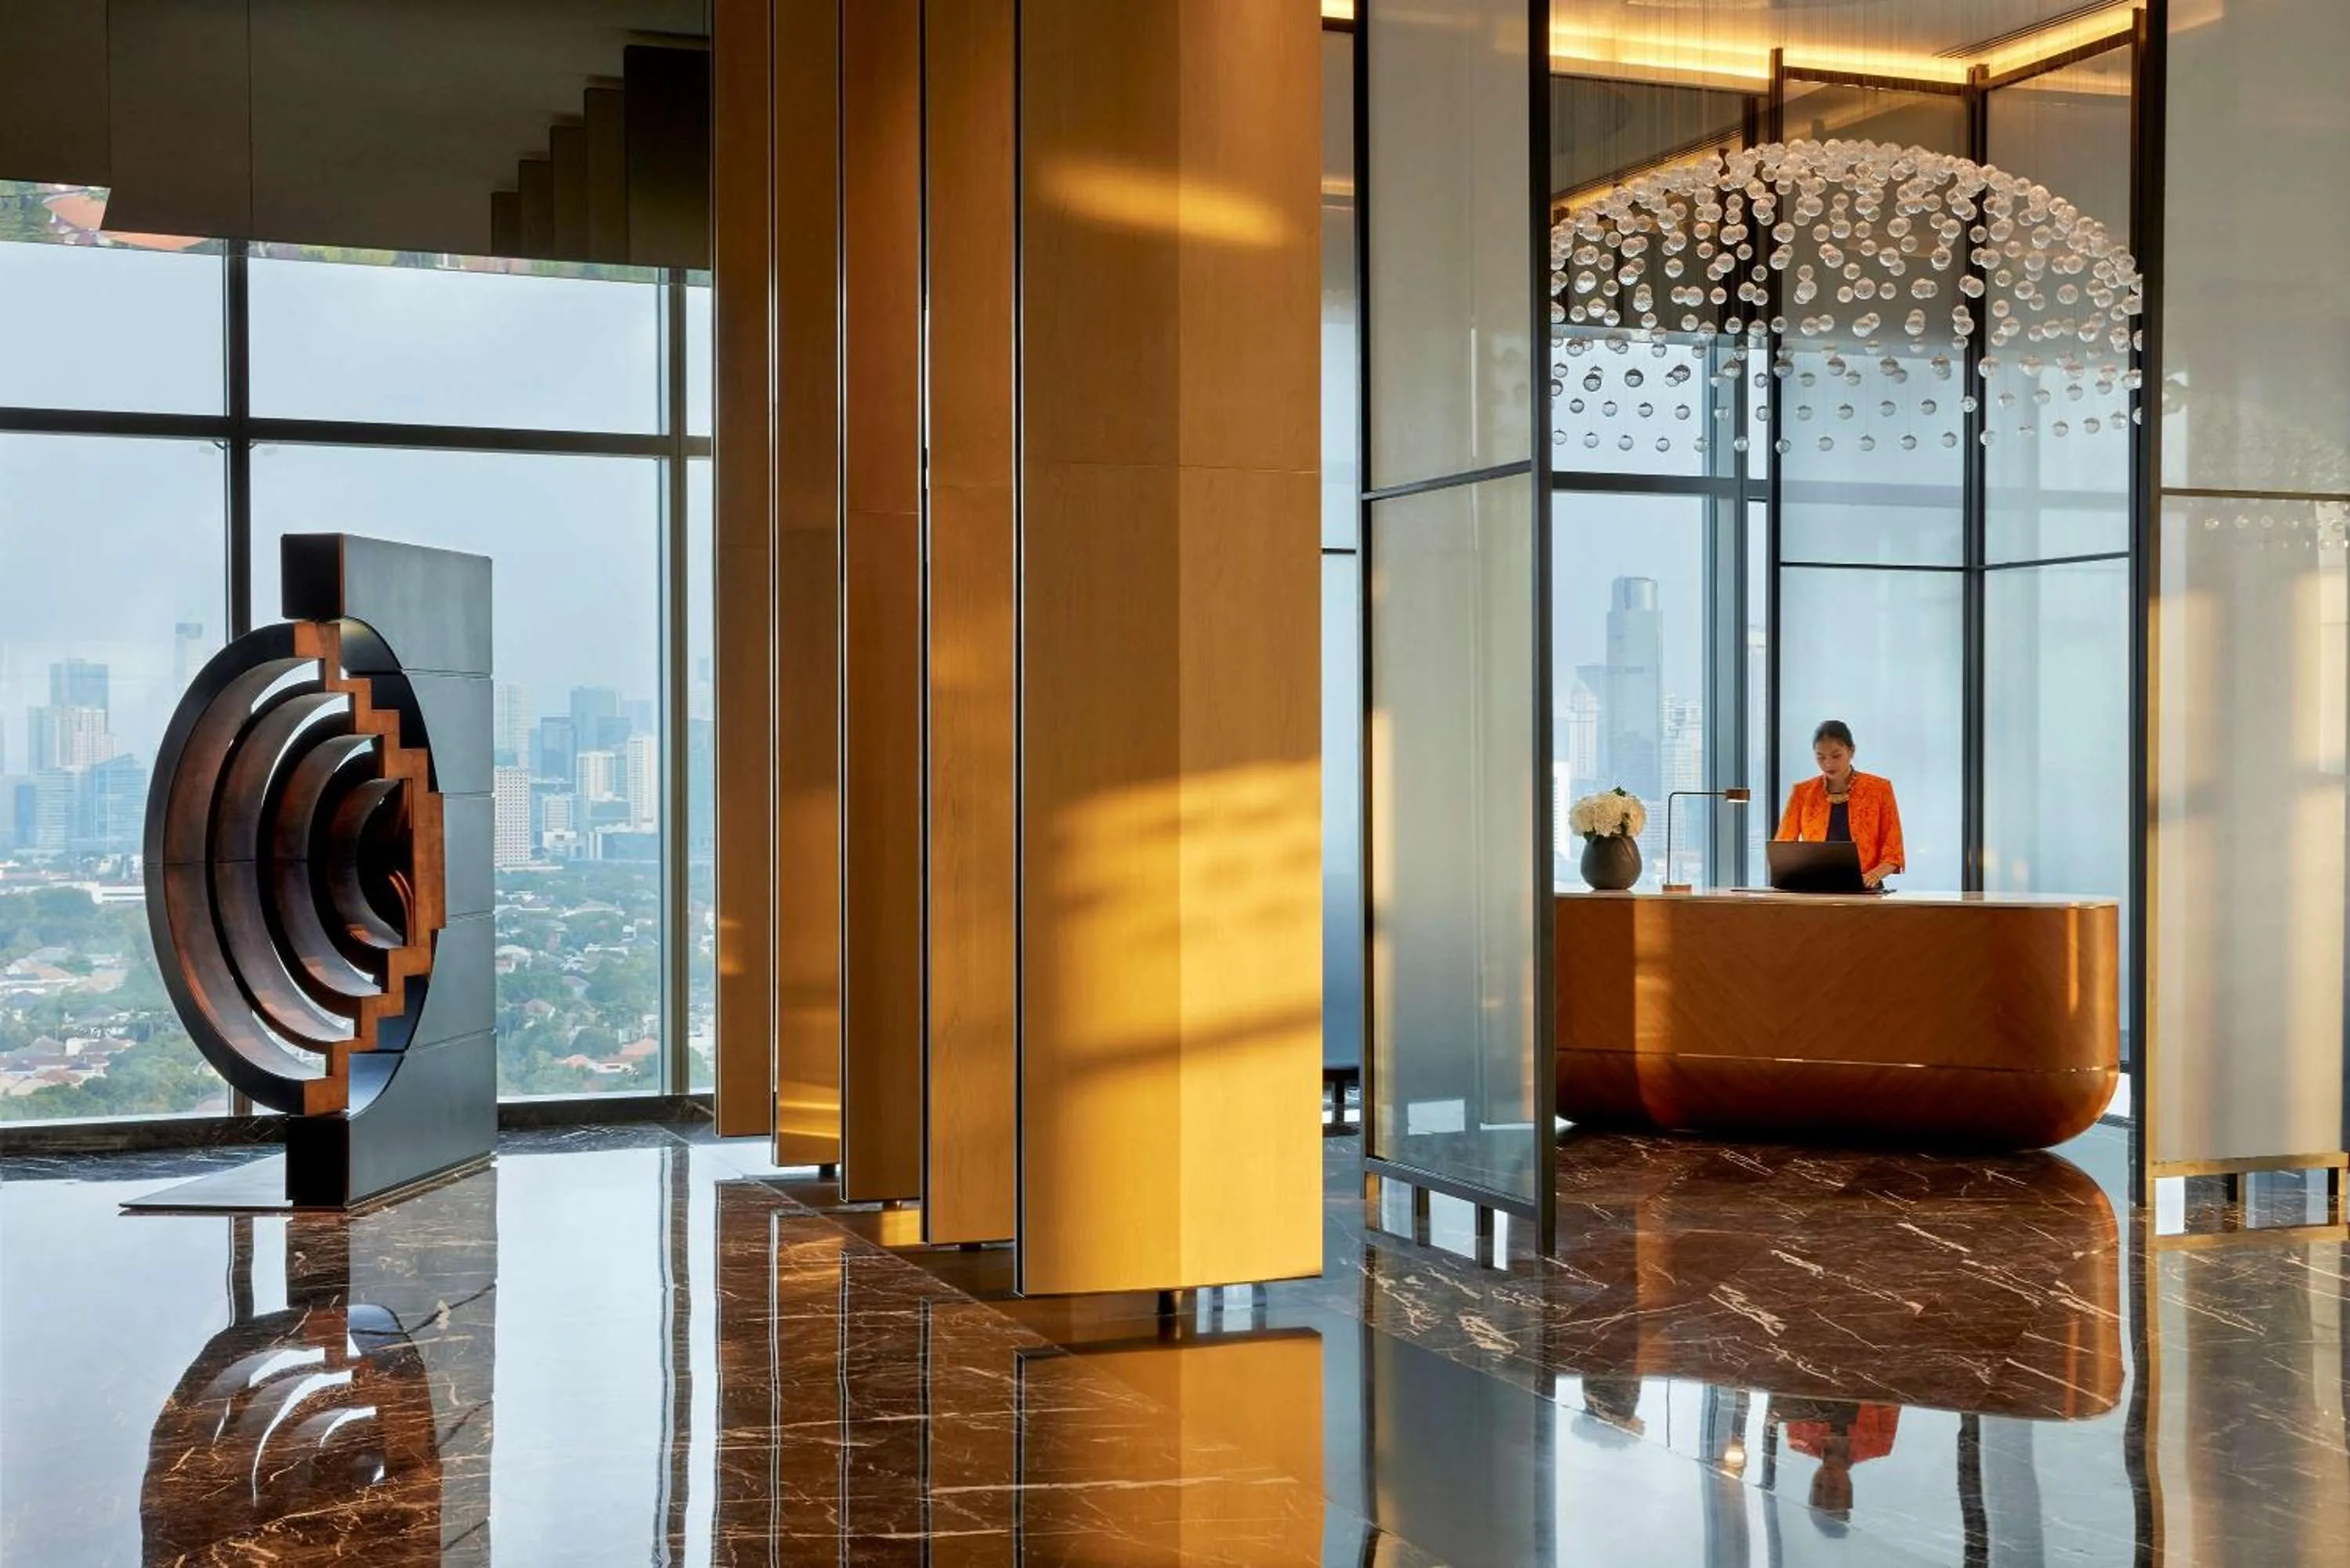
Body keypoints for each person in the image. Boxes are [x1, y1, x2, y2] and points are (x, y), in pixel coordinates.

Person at [1776, 719, 1905, 888]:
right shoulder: (1802, 792)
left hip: (1866, 887)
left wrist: (1873, 875)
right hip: (1814, 888)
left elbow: (1893, 852)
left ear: (1851, 751)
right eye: (1820, 758)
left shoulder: (1879, 789)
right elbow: (1782, 849)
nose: (1828, 764)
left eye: (1836, 756)